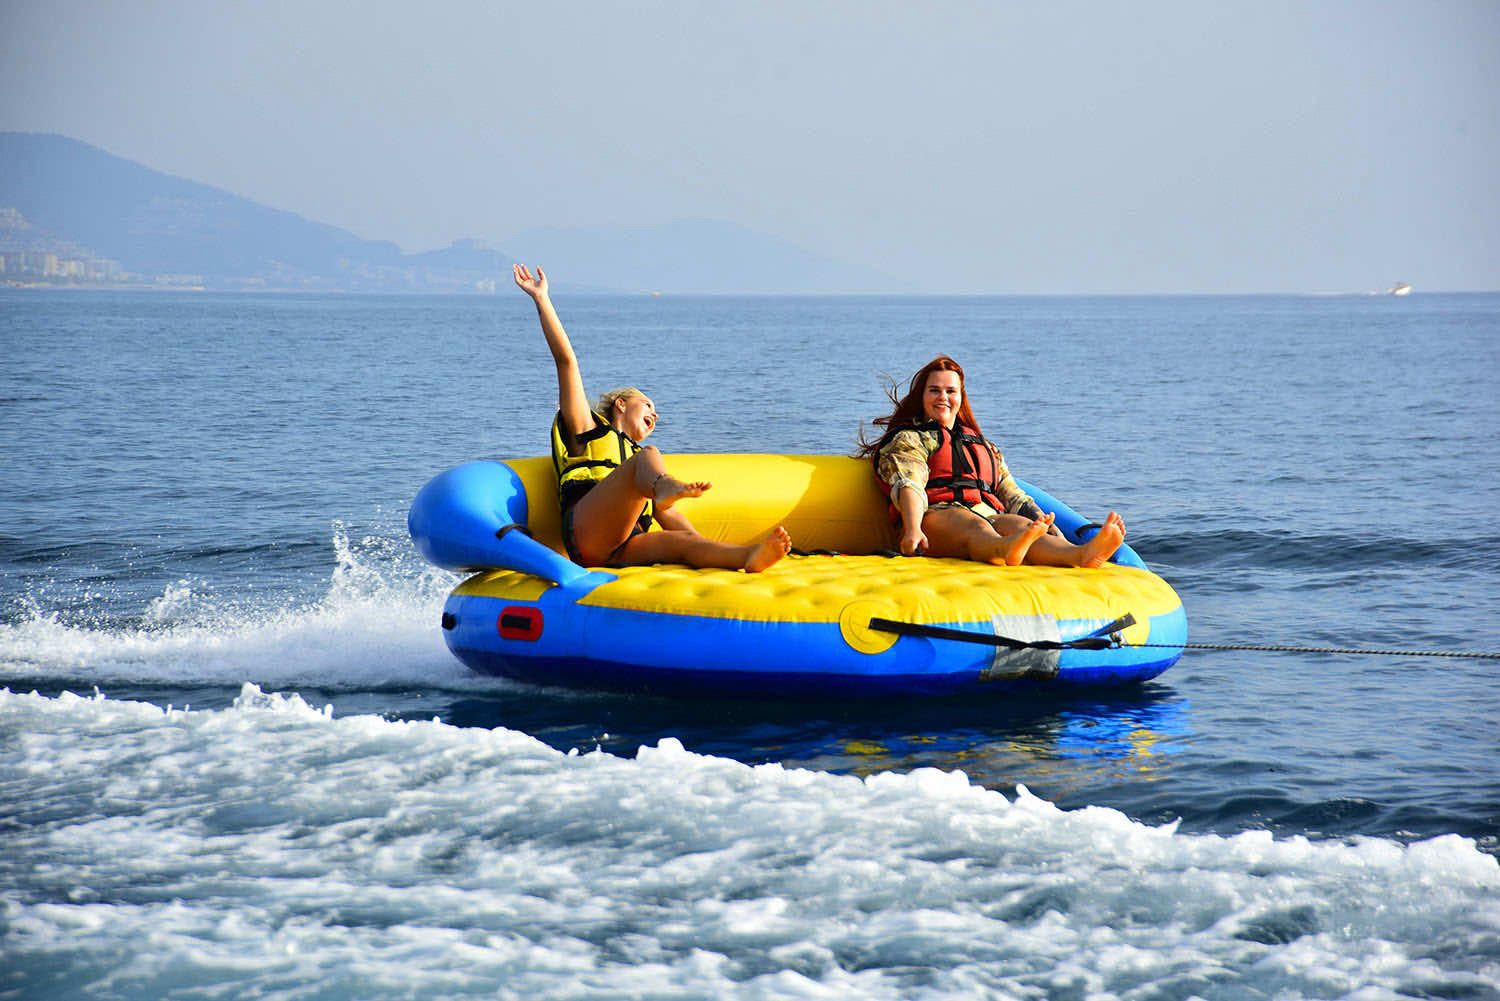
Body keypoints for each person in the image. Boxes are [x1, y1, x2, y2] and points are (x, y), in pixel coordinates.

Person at [514, 264, 791, 571]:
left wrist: (700, 544)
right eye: (646, 404)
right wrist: (542, 299)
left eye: (656, 412)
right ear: (621, 404)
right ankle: (667, 490)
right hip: (586, 534)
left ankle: (748, 557)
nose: (655, 414)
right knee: (650, 458)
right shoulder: (588, 430)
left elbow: (671, 520)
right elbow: (567, 363)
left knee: (682, 541)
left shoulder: (639, 465)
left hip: (621, 549)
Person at [859, 355, 1126, 568]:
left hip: (986, 514)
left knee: (1019, 525)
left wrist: (1054, 531)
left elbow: (1014, 496)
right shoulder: (909, 440)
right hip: (936, 518)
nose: (943, 397)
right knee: (976, 526)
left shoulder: (985, 447)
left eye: (950, 391)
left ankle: (1080, 555)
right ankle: (1004, 550)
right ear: (922, 397)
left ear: (961, 398)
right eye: (934, 390)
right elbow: (909, 484)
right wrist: (913, 530)